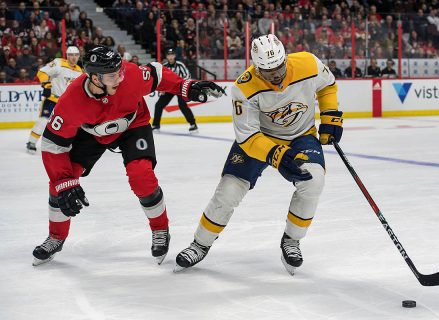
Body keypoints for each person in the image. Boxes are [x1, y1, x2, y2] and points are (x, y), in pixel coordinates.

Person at [31, 45, 225, 266]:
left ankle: (160, 229)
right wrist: (63, 181)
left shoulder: (129, 74)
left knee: (141, 175)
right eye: (113, 75)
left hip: (134, 125)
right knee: (60, 186)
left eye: (120, 71)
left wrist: (185, 87)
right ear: (95, 78)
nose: (120, 77)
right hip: (92, 134)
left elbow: (157, 74)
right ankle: (56, 237)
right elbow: (52, 145)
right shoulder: (70, 101)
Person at [174, 34, 343, 275]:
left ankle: (291, 240)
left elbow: (327, 85)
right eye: (267, 70)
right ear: (256, 67)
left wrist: (330, 116)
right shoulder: (243, 87)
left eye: (279, 67)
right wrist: (277, 155)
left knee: (314, 182)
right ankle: (200, 244)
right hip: (259, 140)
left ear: (285, 58)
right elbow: (248, 136)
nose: (275, 75)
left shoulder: (308, 63)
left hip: (301, 136)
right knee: (228, 192)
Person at [26, 46, 83, 153]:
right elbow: (42, 72)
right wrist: (46, 85)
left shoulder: (79, 71)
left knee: (69, 125)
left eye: (76, 55)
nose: (74, 57)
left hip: (67, 104)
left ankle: (65, 145)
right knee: (43, 121)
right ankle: (32, 142)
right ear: (67, 55)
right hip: (52, 99)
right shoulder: (59, 63)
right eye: (71, 55)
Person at [152, 48, 198, 133]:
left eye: (172, 55)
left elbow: (187, 75)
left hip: (180, 88)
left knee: (182, 105)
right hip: (169, 89)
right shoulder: (164, 66)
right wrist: (162, 88)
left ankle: (193, 124)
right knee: (159, 105)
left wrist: (184, 86)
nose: (170, 57)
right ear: (166, 56)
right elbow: (160, 79)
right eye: (168, 55)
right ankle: (156, 125)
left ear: (174, 56)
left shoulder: (180, 65)